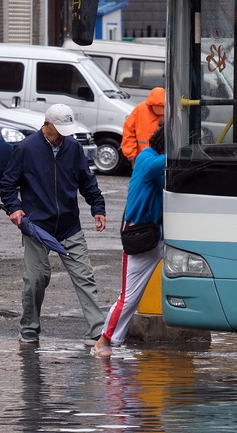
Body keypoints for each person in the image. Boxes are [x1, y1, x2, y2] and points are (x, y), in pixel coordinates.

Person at [0, 103, 107, 346]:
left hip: (69, 225)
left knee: (84, 277)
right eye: (58, 130)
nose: (62, 136)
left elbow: (87, 182)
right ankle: (29, 327)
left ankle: (97, 331)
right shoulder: (26, 149)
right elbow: (7, 185)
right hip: (37, 226)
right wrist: (14, 208)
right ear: (46, 125)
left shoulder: (74, 148)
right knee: (36, 278)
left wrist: (97, 208)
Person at [92, 125, 166, 358]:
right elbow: (165, 163)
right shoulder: (148, 160)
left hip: (159, 234)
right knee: (129, 297)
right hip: (142, 236)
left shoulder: (152, 157)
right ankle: (103, 341)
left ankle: (109, 341)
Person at [120, 87, 165, 167]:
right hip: (141, 158)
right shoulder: (140, 110)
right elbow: (128, 132)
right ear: (150, 105)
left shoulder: (168, 113)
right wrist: (131, 154)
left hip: (158, 158)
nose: (159, 113)